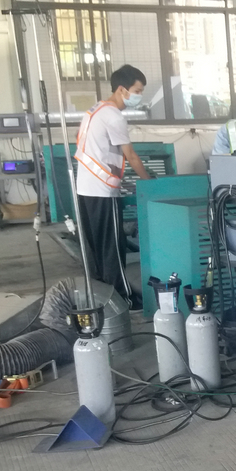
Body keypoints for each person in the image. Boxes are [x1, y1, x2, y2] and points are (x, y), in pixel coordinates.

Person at [74, 64, 152, 302]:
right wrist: (150, 184)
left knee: (96, 248)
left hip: (85, 189)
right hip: (103, 191)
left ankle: (101, 299)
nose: (139, 96)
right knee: (112, 249)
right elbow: (132, 156)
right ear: (122, 89)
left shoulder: (94, 110)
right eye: (137, 91)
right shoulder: (113, 116)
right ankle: (122, 298)